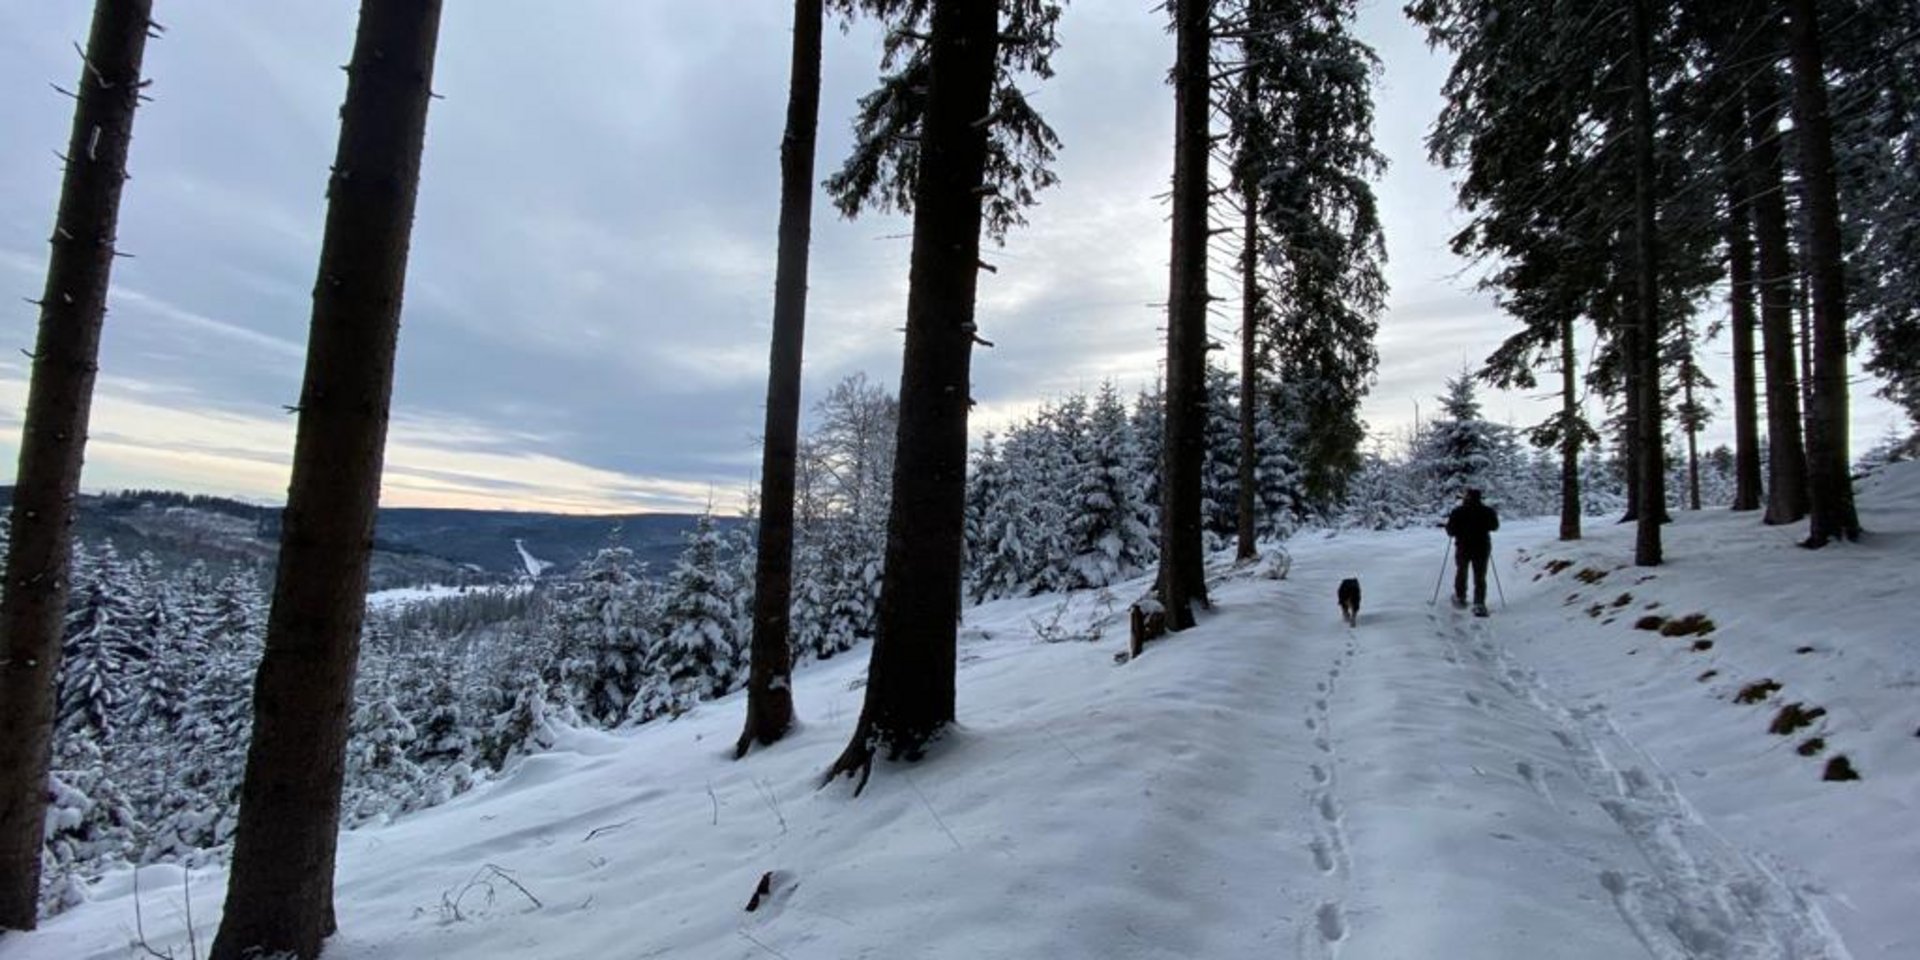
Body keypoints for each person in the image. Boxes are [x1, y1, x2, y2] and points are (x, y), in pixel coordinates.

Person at [1445, 487, 1499, 616]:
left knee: (1461, 571)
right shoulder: (1487, 511)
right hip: (1482, 547)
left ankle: (1460, 597)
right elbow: (1495, 527)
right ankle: (1479, 603)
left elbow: (1450, 531)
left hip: (1463, 547)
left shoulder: (1458, 511)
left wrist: (1457, 529)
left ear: (1466, 497)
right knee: (1480, 576)